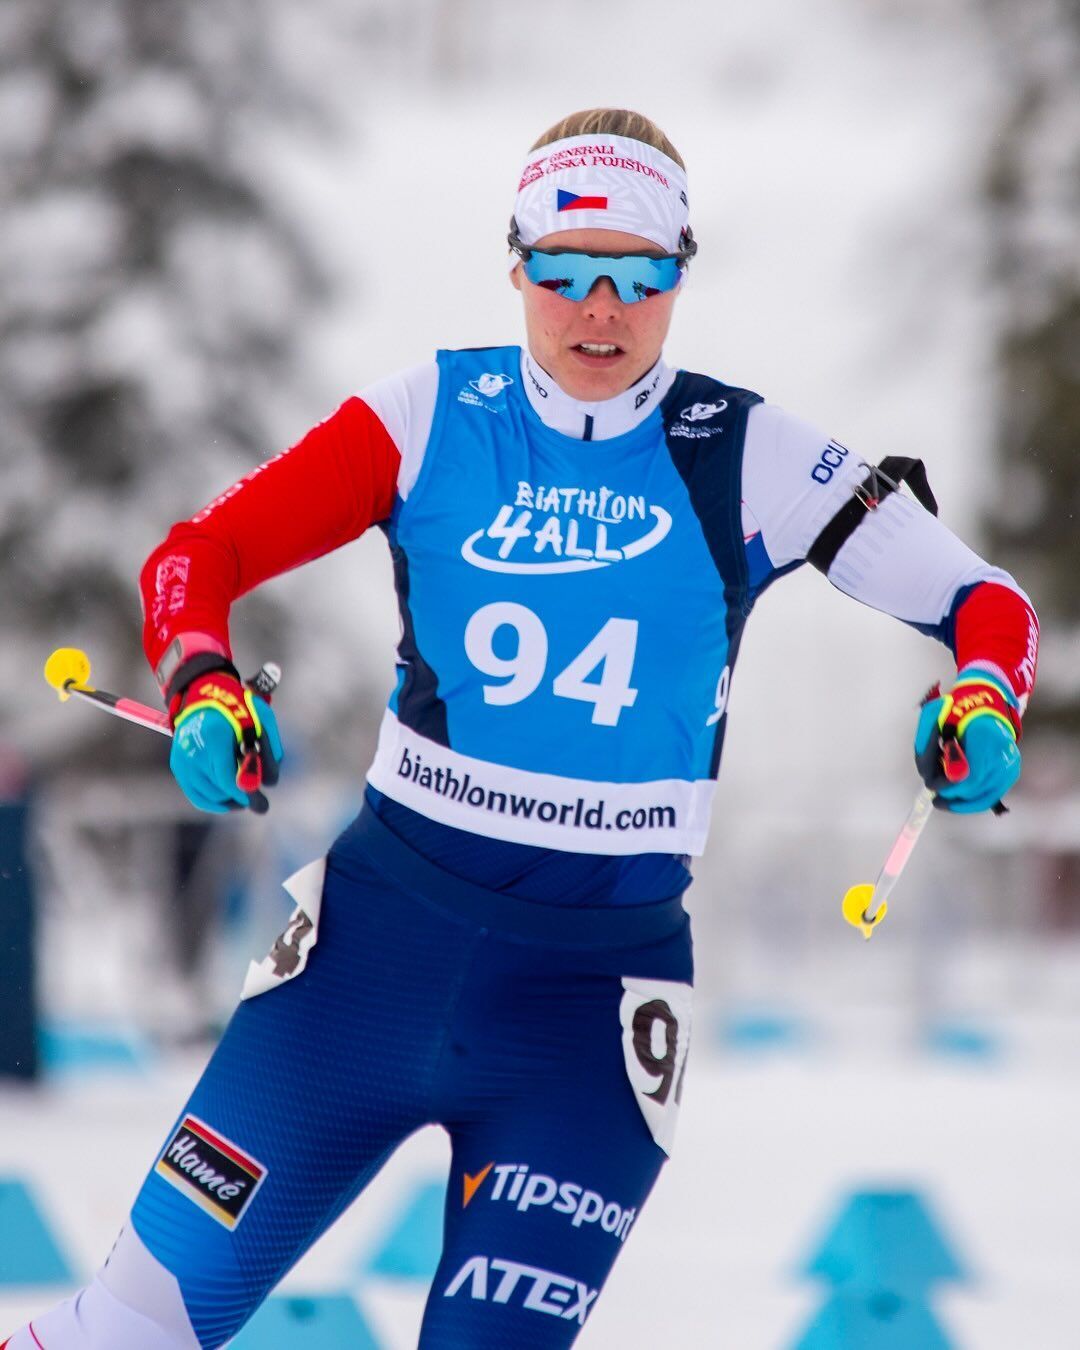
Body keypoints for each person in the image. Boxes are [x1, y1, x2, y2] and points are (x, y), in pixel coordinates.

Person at [7, 107, 1039, 1350]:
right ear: (517, 265)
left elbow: (987, 602)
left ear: (678, 274)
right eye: (564, 273)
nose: (598, 311)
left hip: (588, 1011)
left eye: (638, 277)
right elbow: (199, 553)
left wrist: (984, 698)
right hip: (365, 967)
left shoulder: (746, 450)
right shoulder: (430, 414)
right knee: (134, 1327)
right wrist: (203, 684)